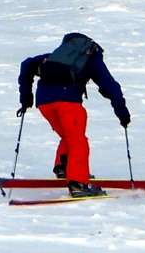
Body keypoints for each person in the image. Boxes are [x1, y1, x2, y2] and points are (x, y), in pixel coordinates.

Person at [18, 32, 131, 198]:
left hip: (44, 102)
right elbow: (111, 87)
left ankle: (64, 168)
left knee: (67, 135)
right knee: (78, 141)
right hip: (68, 102)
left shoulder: (55, 57)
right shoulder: (90, 57)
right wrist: (123, 114)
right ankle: (78, 183)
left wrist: (26, 97)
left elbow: (26, 64)